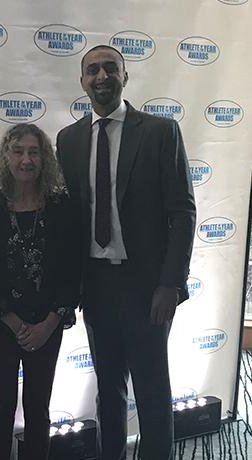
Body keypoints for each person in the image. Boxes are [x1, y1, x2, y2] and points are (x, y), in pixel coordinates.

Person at [56, 45, 196, 460]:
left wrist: (170, 282)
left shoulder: (159, 131)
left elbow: (183, 212)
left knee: (152, 390)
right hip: (95, 286)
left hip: (148, 286)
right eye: (93, 70)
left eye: (110, 69)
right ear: (82, 81)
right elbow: (68, 221)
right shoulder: (69, 139)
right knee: (108, 390)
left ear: (125, 77)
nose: (102, 77)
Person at [0, 123, 80, 460]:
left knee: (39, 411)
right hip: (2, 327)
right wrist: (12, 321)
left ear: (44, 158)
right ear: (6, 157)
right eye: (18, 151)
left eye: (34, 152)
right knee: (0, 412)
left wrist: (49, 323)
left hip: (47, 326)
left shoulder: (61, 209)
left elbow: (71, 272)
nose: (26, 159)